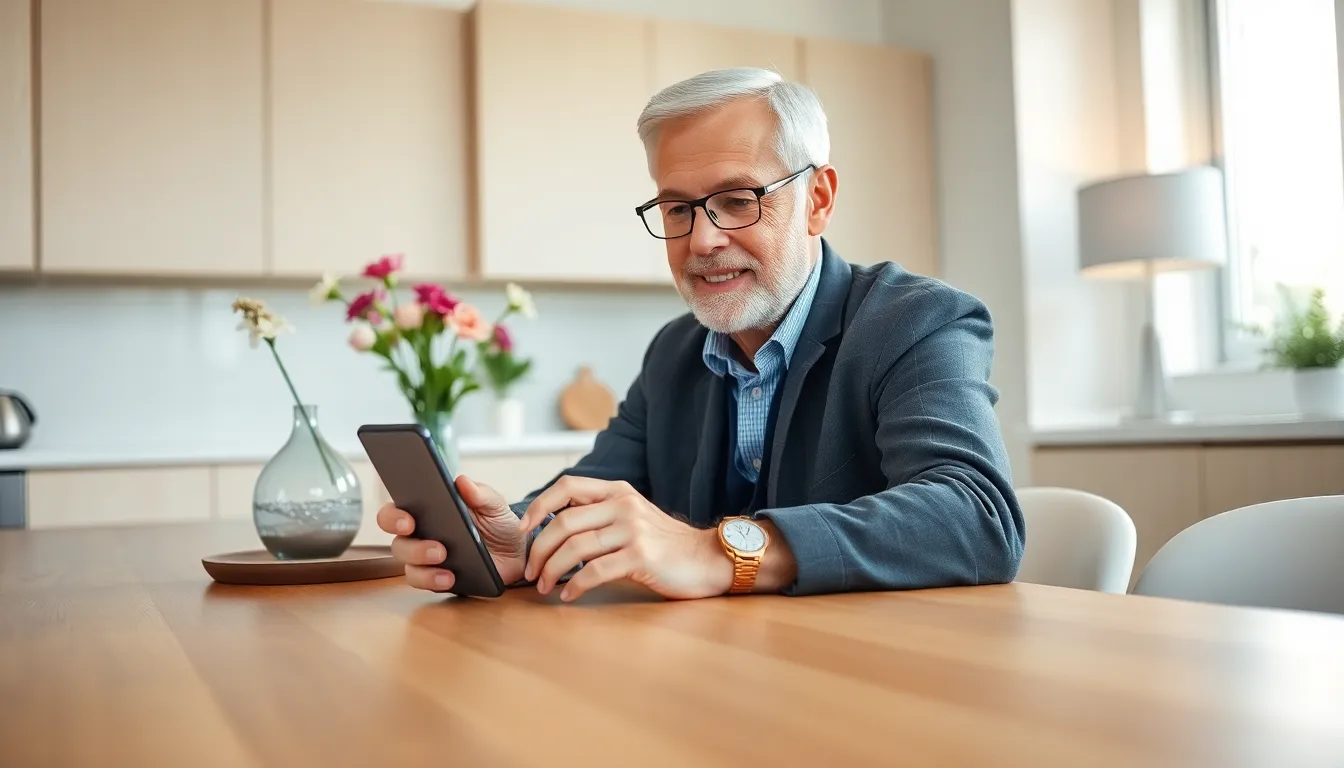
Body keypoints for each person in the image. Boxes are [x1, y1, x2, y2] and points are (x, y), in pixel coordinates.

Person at [377, 67, 1024, 601]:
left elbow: (977, 517)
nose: (703, 240)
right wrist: (523, 536)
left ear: (819, 200)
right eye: (678, 208)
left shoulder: (917, 321)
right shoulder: (675, 353)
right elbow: (598, 488)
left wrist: (714, 551)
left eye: (739, 199)